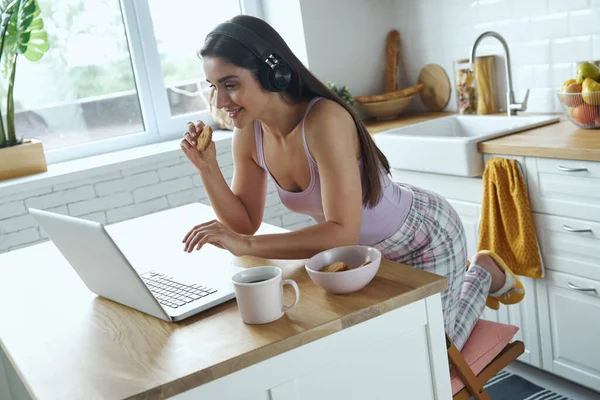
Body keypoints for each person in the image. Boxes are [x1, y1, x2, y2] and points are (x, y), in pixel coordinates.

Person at [179, 15, 524, 350]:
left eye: (231, 84)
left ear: (274, 73)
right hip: (366, 258)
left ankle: (482, 272)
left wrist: (246, 246)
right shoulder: (250, 134)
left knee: (436, 352)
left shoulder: (323, 121)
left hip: (424, 238)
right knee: (394, 352)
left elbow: (340, 231)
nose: (221, 103)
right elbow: (244, 223)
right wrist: (207, 168)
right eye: (214, 87)